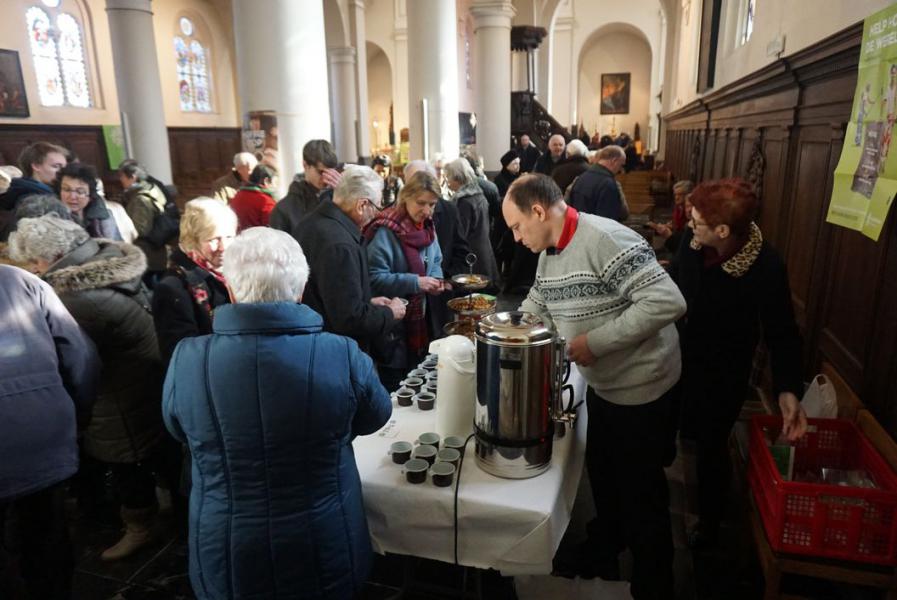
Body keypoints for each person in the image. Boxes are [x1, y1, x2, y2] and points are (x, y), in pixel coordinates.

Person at [162, 227, 392, 600]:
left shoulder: (188, 358)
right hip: (324, 540)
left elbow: (176, 428)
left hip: (226, 546)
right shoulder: (342, 353)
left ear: (232, 291)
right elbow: (377, 417)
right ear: (300, 291)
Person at [503, 174, 686, 599]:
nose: (515, 238)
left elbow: (668, 301)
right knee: (604, 477)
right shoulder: (550, 251)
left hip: (643, 389)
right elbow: (539, 302)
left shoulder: (603, 238)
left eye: (516, 227)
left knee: (642, 497)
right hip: (604, 386)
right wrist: (501, 334)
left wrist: (595, 343)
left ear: (538, 211)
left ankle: (654, 584)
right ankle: (604, 551)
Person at [9, 215, 168, 562]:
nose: (32, 269)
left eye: (34, 262)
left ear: (51, 258)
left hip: (120, 391)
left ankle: (142, 526)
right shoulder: (103, 259)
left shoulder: (78, 298)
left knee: (129, 461)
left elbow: (69, 354)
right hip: (142, 374)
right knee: (151, 452)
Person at [669, 178, 807, 550]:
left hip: (723, 369)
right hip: (677, 353)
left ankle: (710, 525)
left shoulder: (765, 265)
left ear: (724, 230)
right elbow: (677, 280)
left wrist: (788, 389)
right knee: (673, 428)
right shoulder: (694, 240)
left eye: (696, 220)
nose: (689, 224)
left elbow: (782, 331)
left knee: (712, 446)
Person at [0, 264, 99, 600]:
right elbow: (81, 355)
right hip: (43, 430)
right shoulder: (22, 280)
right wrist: (75, 413)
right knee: (46, 535)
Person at [293, 166, 405, 359]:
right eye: (377, 207)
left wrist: (365, 301)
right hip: (335, 353)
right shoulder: (339, 244)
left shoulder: (311, 222)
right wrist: (389, 313)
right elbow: (349, 319)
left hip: (311, 344)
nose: (377, 214)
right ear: (362, 205)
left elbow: (331, 295)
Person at [366, 171, 449, 390]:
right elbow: (373, 278)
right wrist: (416, 282)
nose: (427, 211)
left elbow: (437, 259)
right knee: (396, 387)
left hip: (421, 319)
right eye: (421, 203)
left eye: (432, 204)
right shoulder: (386, 231)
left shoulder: (428, 227)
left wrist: (436, 279)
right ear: (405, 197)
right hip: (393, 328)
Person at [153, 198, 237, 366]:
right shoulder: (173, 288)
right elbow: (180, 356)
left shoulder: (231, 272)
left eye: (229, 236)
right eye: (214, 239)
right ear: (192, 239)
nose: (224, 247)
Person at [404, 160, 470, 333]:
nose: (426, 209)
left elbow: (461, 251)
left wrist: (445, 281)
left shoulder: (449, 211)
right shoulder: (392, 220)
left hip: (438, 301)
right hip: (405, 303)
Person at [444, 158, 501, 287]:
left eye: (449, 178)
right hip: (484, 254)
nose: (447, 182)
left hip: (472, 258)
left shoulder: (464, 202)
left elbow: (460, 234)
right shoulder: (478, 195)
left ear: (458, 178)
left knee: (474, 298)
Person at [269, 139, 341, 233]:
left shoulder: (339, 199)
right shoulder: (283, 210)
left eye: (331, 173)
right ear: (305, 165)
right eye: (321, 172)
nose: (326, 179)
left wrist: (343, 193)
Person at [119, 160, 172, 284]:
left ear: (132, 177)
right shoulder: (152, 188)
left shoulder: (141, 199)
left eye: (122, 176)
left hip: (149, 254)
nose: (120, 180)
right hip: (156, 251)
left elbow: (141, 229)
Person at [56, 162, 122, 240]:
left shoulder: (105, 217)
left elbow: (119, 246)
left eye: (80, 192)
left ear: (90, 196)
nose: (72, 196)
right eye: (66, 189)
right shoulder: (52, 220)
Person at [567, 145, 628, 222]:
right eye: (621, 165)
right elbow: (608, 221)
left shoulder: (581, 178)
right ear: (614, 161)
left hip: (579, 229)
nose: (621, 170)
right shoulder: (608, 184)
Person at [0, 142, 67, 211]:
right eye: (56, 166)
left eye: (65, 168)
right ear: (36, 166)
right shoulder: (33, 200)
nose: (63, 172)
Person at [648, 180, 694, 255]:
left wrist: (669, 234)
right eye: (675, 195)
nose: (676, 197)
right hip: (675, 243)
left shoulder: (691, 213)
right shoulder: (678, 208)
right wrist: (669, 226)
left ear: (689, 194)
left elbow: (685, 239)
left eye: (680, 195)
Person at [229, 164, 277, 231]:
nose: (276, 186)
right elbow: (273, 229)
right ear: (266, 181)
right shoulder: (266, 201)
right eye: (275, 182)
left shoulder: (237, 196)